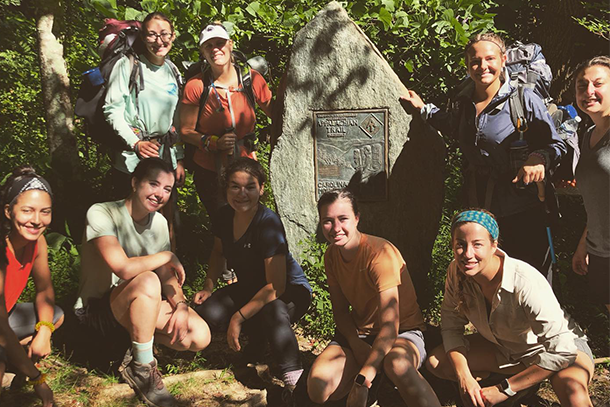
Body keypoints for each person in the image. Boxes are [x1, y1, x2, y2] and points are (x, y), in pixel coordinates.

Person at [400, 33, 566, 283]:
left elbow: (555, 144)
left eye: (489, 58)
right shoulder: (464, 101)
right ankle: (493, 322)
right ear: (467, 66)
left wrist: (538, 157)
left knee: (529, 277)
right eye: (475, 61)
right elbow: (451, 124)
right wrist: (423, 109)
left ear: (503, 60)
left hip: (521, 205)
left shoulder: (523, 99)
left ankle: (538, 323)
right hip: (480, 207)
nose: (482, 66)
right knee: (489, 274)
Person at [74, 158, 210, 407]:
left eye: (167, 189)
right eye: (153, 184)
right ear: (135, 182)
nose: (159, 194)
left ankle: (136, 343)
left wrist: (179, 304)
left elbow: (167, 275)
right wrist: (167, 255)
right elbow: (124, 268)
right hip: (97, 311)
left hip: (134, 304)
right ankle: (142, 367)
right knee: (147, 280)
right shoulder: (101, 212)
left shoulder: (158, 222)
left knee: (200, 335)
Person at [427, 209, 594, 407]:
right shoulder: (456, 271)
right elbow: (451, 326)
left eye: (477, 244)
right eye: (460, 245)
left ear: (494, 246)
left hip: (556, 350)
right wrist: (465, 377)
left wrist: (504, 389)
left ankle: (516, 387)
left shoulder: (523, 281)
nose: (468, 254)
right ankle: (522, 386)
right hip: (505, 350)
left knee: (573, 394)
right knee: (438, 362)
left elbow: (563, 350)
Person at [193, 157, 311, 404]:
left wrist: (238, 317)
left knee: (272, 311)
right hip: (252, 288)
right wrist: (208, 285)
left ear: (261, 189)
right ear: (226, 189)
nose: (242, 193)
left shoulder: (268, 223)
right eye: (235, 186)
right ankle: (258, 340)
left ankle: (294, 379)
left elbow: (276, 286)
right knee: (208, 311)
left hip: (289, 291)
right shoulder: (224, 216)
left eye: (250, 187)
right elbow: (218, 251)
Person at [307, 189, 441, 407]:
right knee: (317, 389)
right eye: (327, 221)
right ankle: (380, 387)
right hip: (361, 333)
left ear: (357, 218)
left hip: (401, 332)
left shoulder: (379, 254)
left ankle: (379, 383)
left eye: (343, 219)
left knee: (396, 364)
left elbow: (390, 326)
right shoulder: (331, 256)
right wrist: (355, 343)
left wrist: (362, 380)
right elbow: (340, 312)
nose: (336, 228)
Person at [180, 23, 272, 220]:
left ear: (230, 45)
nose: (215, 49)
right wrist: (214, 142)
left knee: (251, 219)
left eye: (220, 43)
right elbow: (185, 131)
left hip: (246, 165)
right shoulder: (196, 86)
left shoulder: (251, 80)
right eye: (209, 45)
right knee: (221, 223)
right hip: (209, 168)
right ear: (202, 51)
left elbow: (277, 112)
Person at [0, 166, 64, 406]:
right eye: (27, 210)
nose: (36, 220)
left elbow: (45, 290)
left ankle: (11, 359)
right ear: (8, 210)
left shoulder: (38, 242)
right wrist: (38, 380)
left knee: (55, 315)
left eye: (44, 212)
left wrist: (45, 330)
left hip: (5, 320)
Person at [103, 11, 185, 197]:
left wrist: (179, 159)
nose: (159, 41)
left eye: (164, 34)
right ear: (143, 37)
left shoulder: (173, 70)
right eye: (152, 35)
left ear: (173, 36)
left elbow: (176, 120)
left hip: (165, 159)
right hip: (131, 160)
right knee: (130, 217)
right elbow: (112, 110)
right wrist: (136, 143)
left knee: (164, 220)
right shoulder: (127, 65)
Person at [571, 56, 610, 313]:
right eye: (582, 86)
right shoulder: (587, 136)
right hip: (600, 250)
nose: (589, 92)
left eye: (598, 84)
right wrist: (584, 243)